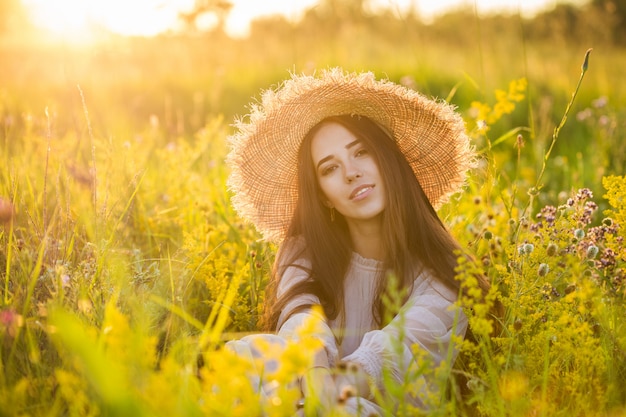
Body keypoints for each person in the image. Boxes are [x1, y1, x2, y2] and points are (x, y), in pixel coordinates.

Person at [226, 68, 487, 415]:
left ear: (389, 161)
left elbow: (384, 361)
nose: (351, 172)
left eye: (361, 152)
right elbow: (302, 322)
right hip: (308, 397)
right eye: (329, 169)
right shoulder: (304, 253)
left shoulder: (444, 276)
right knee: (246, 356)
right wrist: (317, 382)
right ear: (324, 198)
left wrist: (323, 395)